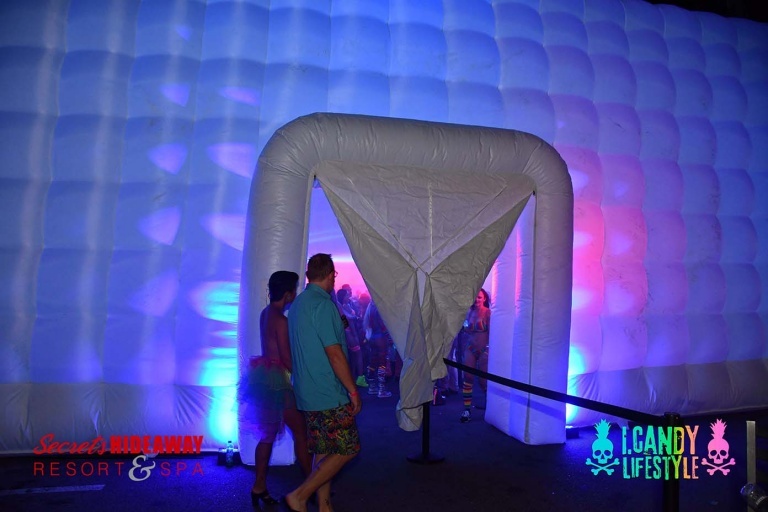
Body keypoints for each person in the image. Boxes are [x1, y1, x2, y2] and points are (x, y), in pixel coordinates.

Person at [285, 254, 362, 512]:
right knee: (349, 448)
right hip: (327, 391)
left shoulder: (298, 304)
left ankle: (324, 506)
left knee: (323, 450)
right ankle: (299, 495)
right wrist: (353, 391)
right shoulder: (324, 305)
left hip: (306, 391)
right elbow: (334, 354)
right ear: (331, 275)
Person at [237, 271, 312, 507]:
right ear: (288, 293)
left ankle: (259, 486)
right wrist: (307, 374)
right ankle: (312, 485)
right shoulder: (281, 320)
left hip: (264, 379)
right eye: (294, 289)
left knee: (267, 436)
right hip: (278, 382)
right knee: (301, 433)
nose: (295, 294)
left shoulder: (266, 313)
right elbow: (287, 359)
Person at [459, 288, 491, 423]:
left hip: (484, 349)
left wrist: (489, 349)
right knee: (467, 377)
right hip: (470, 348)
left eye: (479, 297)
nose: (477, 300)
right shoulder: (469, 312)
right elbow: (465, 329)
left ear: (484, 298)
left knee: (483, 381)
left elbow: (492, 332)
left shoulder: (488, 312)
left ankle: (491, 406)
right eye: (475, 297)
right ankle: (467, 410)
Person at [362, 300, 393, 398]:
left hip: (372, 337)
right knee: (382, 363)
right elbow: (382, 325)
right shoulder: (378, 308)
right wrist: (389, 337)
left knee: (372, 362)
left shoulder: (370, 307)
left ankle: (372, 387)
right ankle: (382, 390)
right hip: (380, 338)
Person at [336, 288, 366, 388]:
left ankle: (353, 377)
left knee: (353, 356)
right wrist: (349, 331)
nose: (349, 296)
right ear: (342, 297)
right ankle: (360, 378)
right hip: (350, 333)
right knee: (358, 355)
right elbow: (345, 318)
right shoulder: (340, 306)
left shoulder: (346, 305)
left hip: (350, 332)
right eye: (347, 295)